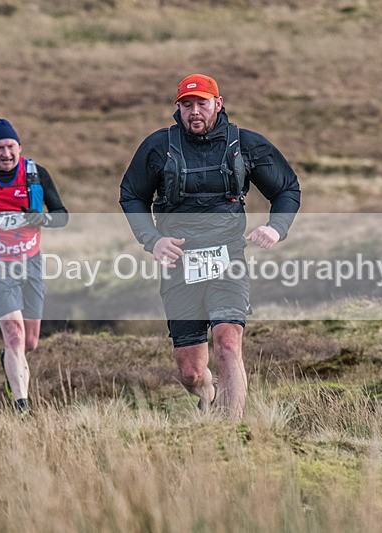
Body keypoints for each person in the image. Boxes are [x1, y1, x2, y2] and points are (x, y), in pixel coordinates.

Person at [119, 74, 301, 420]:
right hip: (179, 263)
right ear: (178, 108)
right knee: (190, 373)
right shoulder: (158, 146)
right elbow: (131, 195)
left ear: (218, 103)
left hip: (228, 257)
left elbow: (287, 188)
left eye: (202, 103)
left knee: (228, 344)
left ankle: (230, 429)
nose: (194, 112)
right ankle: (209, 396)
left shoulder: (245, 144)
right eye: (187, 105)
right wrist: (153, 240)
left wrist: (276, 228)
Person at [0, 118, 68, 414]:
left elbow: (62, 215)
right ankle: (22, 407)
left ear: (19, 147)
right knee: (15, 335)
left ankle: (6, 359)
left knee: (29, 342)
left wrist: (43, 218)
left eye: (10, 147)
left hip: (31, 263)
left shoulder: (36, 175)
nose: (5, 153)